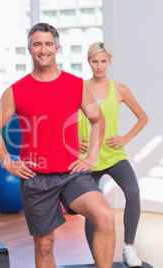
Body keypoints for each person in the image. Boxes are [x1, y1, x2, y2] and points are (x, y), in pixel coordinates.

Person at [0, 23, 115, 267]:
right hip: (36, 177)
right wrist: (7, 162)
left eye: (47, 44)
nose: (42, 49)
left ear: (56, 47)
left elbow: (98, 120)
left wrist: (91, 156)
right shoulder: (16, 90)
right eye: (37, 44)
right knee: (44, 246)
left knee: (105, 217)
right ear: (29, 49)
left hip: (71, 174)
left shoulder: (77, 85)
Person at [78, 42, 148, 267]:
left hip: (113, 153)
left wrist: (125, 139)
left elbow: (143, 117)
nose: (99, 66)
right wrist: (70, 139)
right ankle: (97, 258)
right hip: (88, 156)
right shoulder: (79, 88)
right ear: (89, 62)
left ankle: (129, 249)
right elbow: (61, 117)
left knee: (133, 192)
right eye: (94, 61)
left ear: (109, 63)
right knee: (93, 208)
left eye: (103, 61)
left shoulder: (119, 89)